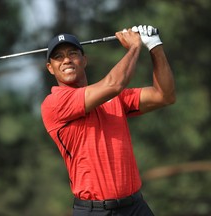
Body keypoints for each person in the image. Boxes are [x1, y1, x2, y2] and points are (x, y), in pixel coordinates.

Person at [41, 25, 175, 216]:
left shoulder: (113, 98)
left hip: (136, 207)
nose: (67, 60)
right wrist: (135, 47)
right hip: (94, 211)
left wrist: (154, 45)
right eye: (58, 57)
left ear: (84, 60)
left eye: (73, 53)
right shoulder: (54, 103)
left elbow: (164, 95)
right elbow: (114, 84)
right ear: (50, 68)